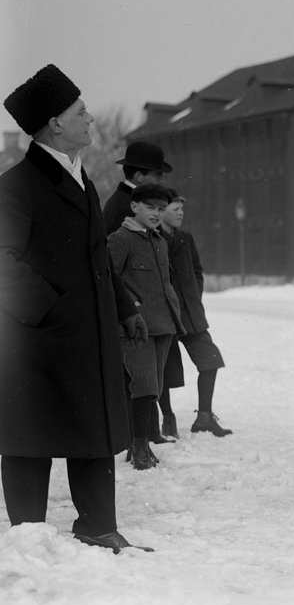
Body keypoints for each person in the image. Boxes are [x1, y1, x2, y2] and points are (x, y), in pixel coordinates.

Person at [0, 64, 151, 553]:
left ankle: (97, 526)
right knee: (30, 437)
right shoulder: (17, 185)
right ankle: (28, 539)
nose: (90, 118)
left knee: (94, 425)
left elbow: (96, 256)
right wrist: (50, 310)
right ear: (55, 124)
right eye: (80, 111)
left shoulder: (80, 178)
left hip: (87, 334)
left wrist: (124, 305)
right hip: (37, 340)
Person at [107, 183, 184, 469]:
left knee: (156, 387)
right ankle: (138, 446)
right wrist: (128, 310)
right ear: (134, 207)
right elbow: (109, 280)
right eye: (150, 207)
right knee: (144, 384)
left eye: (161, 209)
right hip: (135, 327)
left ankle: (141, 444)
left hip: (163, 323)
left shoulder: (160, 241)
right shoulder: (120, 239)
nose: (156, 214)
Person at [159, 190, 232, 437]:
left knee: (210, 359)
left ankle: (204, 417)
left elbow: (197, 272)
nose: (180, 213)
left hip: (190, 314)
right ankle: (167, 418)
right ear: (161, 210)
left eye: (182, 209)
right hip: (164, 316)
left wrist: (194, 296)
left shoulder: (186, 239)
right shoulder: (151, 238)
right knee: (164, 370)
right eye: (175, 208)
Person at [102, 140, 172, 236]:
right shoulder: (129, 209)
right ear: (139, 176)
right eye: (158, 175)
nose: (163, 181)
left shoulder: (122, 200)